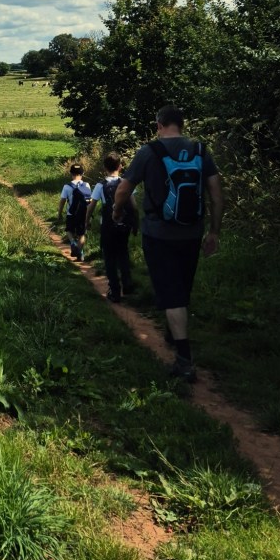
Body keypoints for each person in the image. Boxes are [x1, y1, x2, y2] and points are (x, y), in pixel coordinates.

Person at [113, 105, 223, 382]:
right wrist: (214, 232)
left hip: (159, 233)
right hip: (192, 232)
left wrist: (117, 211)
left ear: (159, 124)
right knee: (182, 286)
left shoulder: (149, 151)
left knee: (171, 292)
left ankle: (184, 360)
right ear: (181, 124)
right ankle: (174, 334)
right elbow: (216, 194)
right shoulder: (200, 151)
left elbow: (124, 188)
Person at [86, 152, 137, 303]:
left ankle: (114, 291)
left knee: (109, 258)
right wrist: (135, 224)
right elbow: (134, 207)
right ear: (121, 166)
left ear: (104, 168)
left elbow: (91, 206)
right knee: (123, 253)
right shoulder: (126, 183)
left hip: (108, 225)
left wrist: (87, 221)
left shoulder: (100, 185)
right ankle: (127, 284)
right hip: (124, 224)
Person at [56, 163, 91, 261]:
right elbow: (89, 201)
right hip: (83, 214)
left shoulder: (67, 187)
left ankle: (73, 243)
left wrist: (59, 213)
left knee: (69, 230)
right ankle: (80, 253)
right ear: (82, 173)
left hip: (71, 213)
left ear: (71, 173)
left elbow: (62, 201)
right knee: (81, 234)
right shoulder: (87, 185)